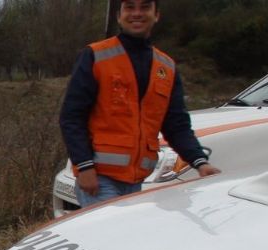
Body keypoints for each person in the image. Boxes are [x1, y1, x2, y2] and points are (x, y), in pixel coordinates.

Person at [59, 0, 220, 208]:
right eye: (130, 7)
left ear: (156, 15)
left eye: (144, 7)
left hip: (135, 182)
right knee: (114, 236)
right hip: (98, 179)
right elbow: (71, 117)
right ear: (119, 15)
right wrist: (84, 166)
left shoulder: (167, 67)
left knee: (122, 238)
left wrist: (200, 162)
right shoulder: (96, 56)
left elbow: (176, 125)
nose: (137, 13)